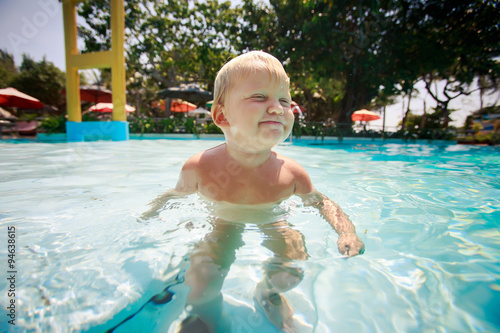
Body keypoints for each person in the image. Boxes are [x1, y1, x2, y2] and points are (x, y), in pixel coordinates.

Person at [141, 51, 365, 332]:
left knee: (292, 268)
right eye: (260, 97)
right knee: (202, 275)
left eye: (284, 100)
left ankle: (268, 291)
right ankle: (205, 315)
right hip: (223, 221)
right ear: (222, 115)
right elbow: (175, 196)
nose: (277, 108)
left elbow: (321, 203)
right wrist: (150, 213)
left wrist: (346, 231)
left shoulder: (292, 174)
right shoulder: (199, 167)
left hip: (274, 220)